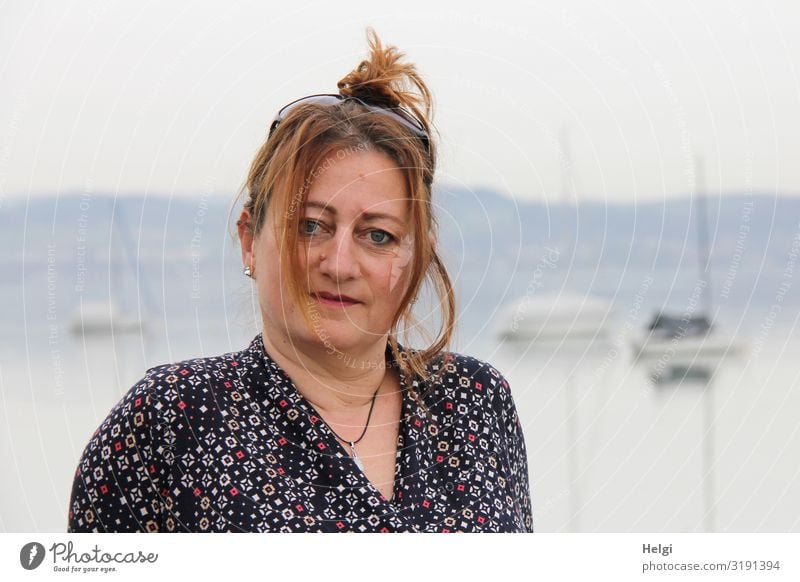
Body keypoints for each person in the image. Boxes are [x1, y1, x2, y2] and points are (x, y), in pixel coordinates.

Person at [67, 30, 534, 533]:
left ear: (415, 257)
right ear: (250, 238)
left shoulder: (475, 404)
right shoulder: (170, 420)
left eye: (377, 235)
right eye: (310, 226)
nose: (339, 263)